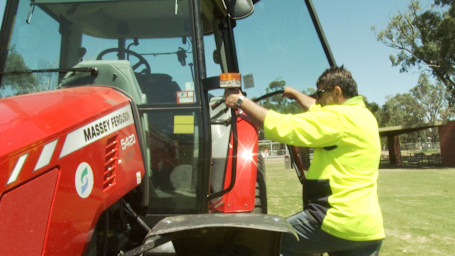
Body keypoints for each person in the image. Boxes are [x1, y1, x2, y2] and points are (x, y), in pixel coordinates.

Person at [224, 66, 385, 256]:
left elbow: (285, 126)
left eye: (320, 93)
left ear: (337, 91)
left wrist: (241, 101)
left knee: (269, 245)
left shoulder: (339, 118)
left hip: (336, 222)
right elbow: (318, 109)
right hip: (368, 231)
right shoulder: (364, 116)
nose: (317, 99)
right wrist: (295, 94)